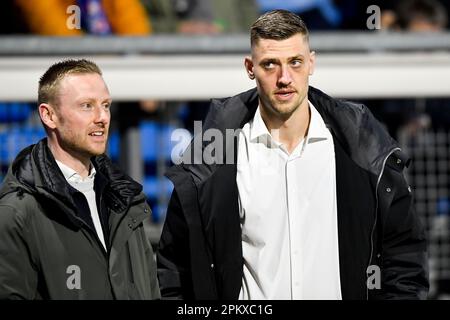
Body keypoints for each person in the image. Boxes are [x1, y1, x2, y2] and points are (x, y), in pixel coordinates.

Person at [157, 10, 429, 300]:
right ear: (250, 68)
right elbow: (177, 268)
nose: (284, 78)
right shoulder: (215, 156)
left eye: (295, 62)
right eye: (270, 64)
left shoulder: (360, 146)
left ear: (311, 63)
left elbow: (403, 256)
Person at [0, 59, 160, 300]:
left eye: (105, 105)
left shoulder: (125, 199)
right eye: (87, 106)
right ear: (49, 115)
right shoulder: (17, 212)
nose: (102, 117)